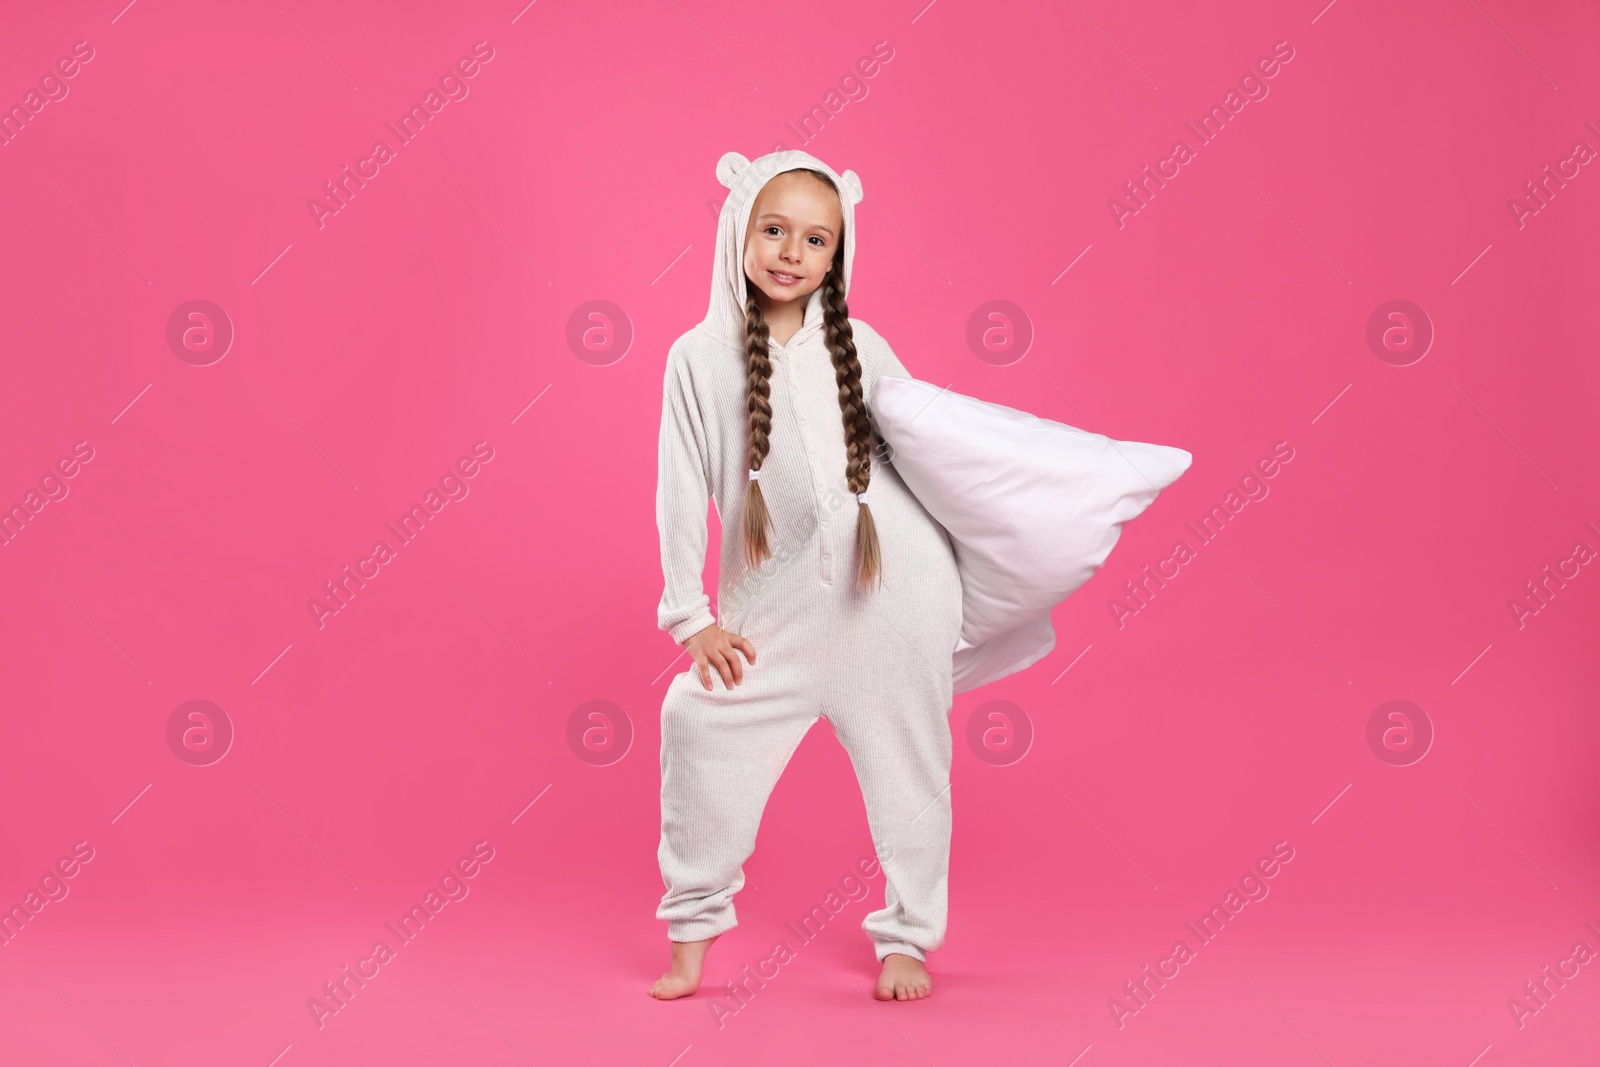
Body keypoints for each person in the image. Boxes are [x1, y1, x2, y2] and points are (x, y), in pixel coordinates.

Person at [648, 149, 963, 1003]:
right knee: (698, 721)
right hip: (775, 606)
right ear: (738, 232)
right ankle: (692, 933)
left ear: (838, 253)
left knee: (910, 764)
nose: (792, 252)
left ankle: (908, 938)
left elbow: (935, 457)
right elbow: (679, 490)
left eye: (816, 238)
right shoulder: (699, 358)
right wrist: (691, 617)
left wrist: (977, 562)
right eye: (775, 229)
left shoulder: (862, 345)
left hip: (892, 593)